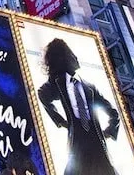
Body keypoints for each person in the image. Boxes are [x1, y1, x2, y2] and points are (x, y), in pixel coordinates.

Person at [37, 38, 120, 175]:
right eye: (70, 54)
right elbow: (43, 95)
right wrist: (62, 122)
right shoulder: (57, 85)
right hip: (78, 145)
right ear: (61, 59)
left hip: (97, 145)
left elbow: (113, 113)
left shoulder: (89, 87)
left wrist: (109, 132)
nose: (75, 57)